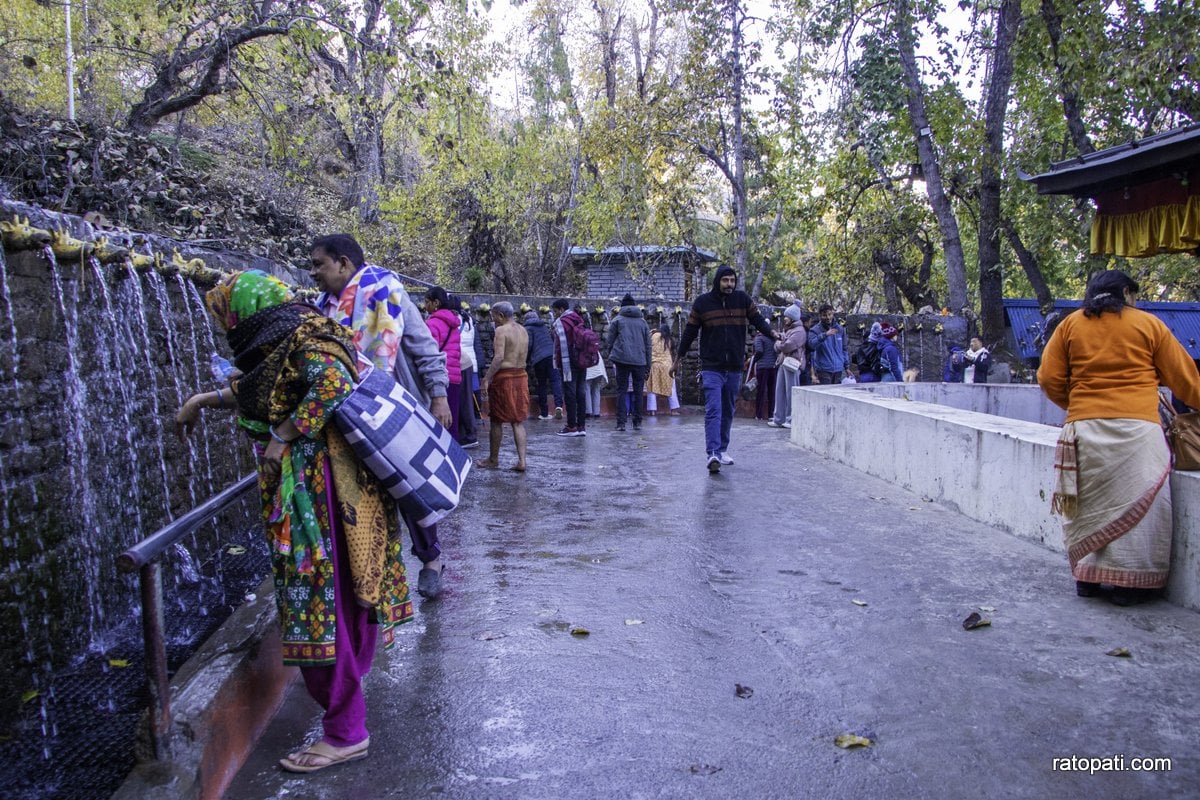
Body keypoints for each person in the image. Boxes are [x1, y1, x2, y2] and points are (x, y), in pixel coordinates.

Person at [176, 270, 412, 773]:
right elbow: (273, 385)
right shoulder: (296, 333)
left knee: (322, 602)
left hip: (316, 495)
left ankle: (347, 732)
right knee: (343, 598)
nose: (226, 325)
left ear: (248, 311)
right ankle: (348, 702)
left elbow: (331, 383)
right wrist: (205, 400)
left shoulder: (305, 338)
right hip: (327, 489)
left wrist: (282, 436)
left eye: (228, 314)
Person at [1038, 270, 1200, 605]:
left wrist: (1080, 406)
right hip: (1138, 432)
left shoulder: (1070, 326)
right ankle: (1130, 587)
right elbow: (1185, 380)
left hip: (1084, 429)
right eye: (1134, 296)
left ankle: (1088, 580)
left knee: (1088, 506)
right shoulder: (1148, 324)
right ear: (1125, 292)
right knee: (1145, 510)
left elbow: (1048, 377)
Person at [309, 233, 450, 600]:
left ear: (343, 263)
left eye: (318, 264)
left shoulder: (387, 292)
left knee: (409, 489)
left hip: (394, 409)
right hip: (343, 415)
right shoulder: (321, 307)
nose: (314, 273)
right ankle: (367, 573)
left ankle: (431, 559)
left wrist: (438, 396)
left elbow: (424, 347)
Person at [673, 265, 777, 473]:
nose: (729, 284)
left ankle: (722, 449)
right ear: (717, 281)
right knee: (714, 409)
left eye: (732, 281)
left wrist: (773, 333)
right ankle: (712, 453)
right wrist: (678, 359)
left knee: (728, 409)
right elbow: (690, 332)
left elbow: (757, 320)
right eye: (725, 281)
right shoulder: (703, 303)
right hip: (712, 367)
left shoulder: (743, 300)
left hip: (734, 367)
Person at [477, 302, 530, 472]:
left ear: (500, 315)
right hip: (521, 376)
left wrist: (486, 378)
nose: (492, 319)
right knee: (518, 421)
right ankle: (522, 461)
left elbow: (499, 357)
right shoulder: (523, 330)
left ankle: (493, 459)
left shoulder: (501, 331)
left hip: (505, 377)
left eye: (493, 315)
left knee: (497, 420)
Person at [606, 293, 653, 432]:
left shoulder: (617, 320)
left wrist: (612, 355)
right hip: (640, 361)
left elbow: (610, 341)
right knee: (638, 392)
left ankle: (621, 423)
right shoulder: (643, 322)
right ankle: (637, 422)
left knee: (622, 390)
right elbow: (648, 345)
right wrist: (648, 365)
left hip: (621, 360)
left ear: (622, 306)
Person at [423, 286, 463, 441]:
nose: (425, 306)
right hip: (455, 377)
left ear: (436, 303)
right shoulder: (453, 323)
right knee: (451, 421)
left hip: (440, 377)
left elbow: (429, 353)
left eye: (427, 302)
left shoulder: (433, 324)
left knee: (437, 423)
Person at [551, 298, 588, 436]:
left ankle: (571, 427)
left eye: (555, 311)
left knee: (570, 393)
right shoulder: (579, 319)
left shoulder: (561, 322)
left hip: (568, 363)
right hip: (583, 360)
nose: (555, 314)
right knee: (581, 393)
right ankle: (581, 426)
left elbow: (558, 345)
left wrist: (558, 362)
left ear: (561, 309)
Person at [768, 305, 807, 428]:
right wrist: (780, 343)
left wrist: (779, 343)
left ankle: (791, 419)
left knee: (791, 392)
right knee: (779, 391)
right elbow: (782, 345)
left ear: (793, 318)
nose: (785, 318)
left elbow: (787, 346)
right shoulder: (789, 330)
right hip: (783, 362)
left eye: (787, 316)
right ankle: (779, 418)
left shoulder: (799, 331)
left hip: (793, 364)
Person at [455, 296, 480, 448]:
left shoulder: (455, 320)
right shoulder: (470, 320)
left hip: (459, 360)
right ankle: (472, 425)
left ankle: (468, 433)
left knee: (464, 398)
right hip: (471, 361)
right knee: (469, 396)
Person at [524, 310, 556, 419]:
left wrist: (526, 360)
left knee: (542, 384)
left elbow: (529, 345)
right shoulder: (543, 326)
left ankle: (544, 413)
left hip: (539, 359)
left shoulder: (528, 328)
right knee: (555, 381)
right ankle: (559, 406)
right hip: (552, 355)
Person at [809, 304, 848, 384]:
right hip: (823, 369)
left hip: (839, 369)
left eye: (829, 314)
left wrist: (846, 366)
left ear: (833, 313)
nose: (828, 317)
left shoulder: (840, 329)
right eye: (824, 315)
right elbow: (811, 345)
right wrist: (825, 335)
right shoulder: (815, 330)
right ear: (820, 316)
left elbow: (844, 348)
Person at [646, 323, 679, 415]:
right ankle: (674, 410)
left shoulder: (653, 335)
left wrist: (653, 331)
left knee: (652, 387)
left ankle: (652, 410)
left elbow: (647, 341)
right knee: (671, 387)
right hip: (667, 366)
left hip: (654, 364)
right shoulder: (669, 339)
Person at [753, 323, 778, 420]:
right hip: (773, 367)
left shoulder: (759, 338)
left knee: (761, 391)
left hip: (762, 367)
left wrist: (753, 360)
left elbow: (759, 351)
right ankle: (771, 415)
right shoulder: (773, 339)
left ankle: (759, 415)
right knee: (772, 392)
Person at [585, 350, 609, 418]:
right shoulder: (594, 346)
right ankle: (596, 412)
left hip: (588, 369)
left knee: (586, 389)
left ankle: (588, 411)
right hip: (598, 369)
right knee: (596, 389)